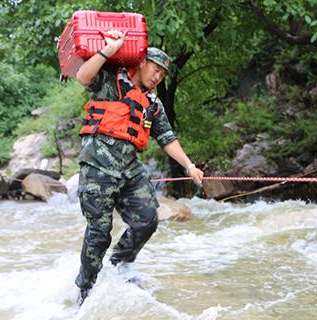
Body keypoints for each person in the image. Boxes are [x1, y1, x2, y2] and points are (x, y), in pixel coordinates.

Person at [74, 29, 203, 306]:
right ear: (142, 63)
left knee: (147, 219)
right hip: (98, 167)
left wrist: (189, 165)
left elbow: (167, 138)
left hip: (130, 171)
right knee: (98, 231)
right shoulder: (111, 80)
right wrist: (109, 50)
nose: (158, 77)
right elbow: (83, 77)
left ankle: (119, 264)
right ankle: (85, 290)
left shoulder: (153, 104)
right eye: (156, 69)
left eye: (163, 75)